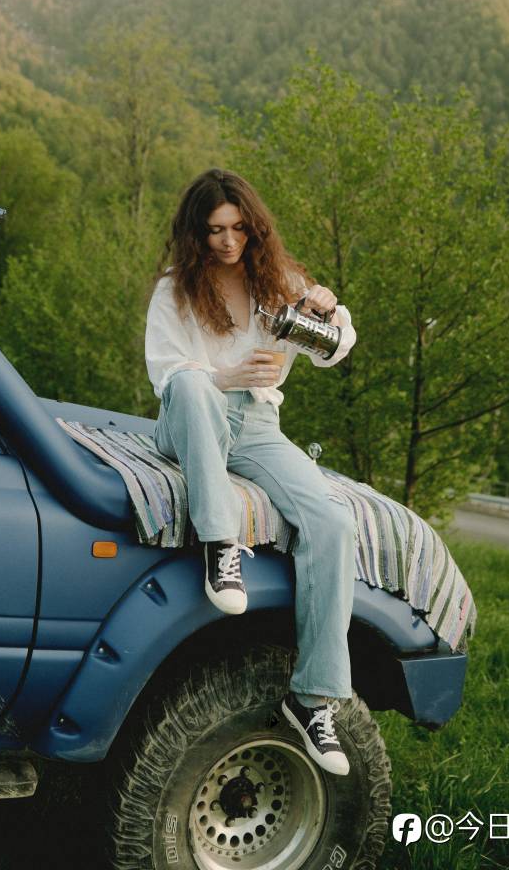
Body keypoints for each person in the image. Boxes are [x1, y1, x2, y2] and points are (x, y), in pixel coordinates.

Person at [145, 168, 357, 777]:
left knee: (334, 523)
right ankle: (221, 544)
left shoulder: (278, 281)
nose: (228, 241)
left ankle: (312, 700)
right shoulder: (175, 288)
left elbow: (338, 348)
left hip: (258, 426)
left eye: (239, 228)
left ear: (254, 228)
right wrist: (224, 377)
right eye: (215, 230)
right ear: (196, 232)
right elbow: (167, 375)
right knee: (192, 384)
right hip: (192, 417)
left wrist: (328, 308)